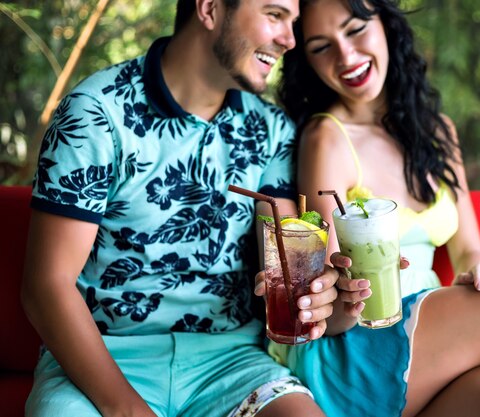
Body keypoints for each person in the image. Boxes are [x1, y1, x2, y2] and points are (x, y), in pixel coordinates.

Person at [267, 0, 480, 416]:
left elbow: (469, 250)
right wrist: (349, 286)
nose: (346, 55)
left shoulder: (438, 133)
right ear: (308, 63)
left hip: (429, 338)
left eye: (356, 29)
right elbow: (329, 289)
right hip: (358, 345)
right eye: (322, 46)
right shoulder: (327, 136)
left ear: (386, 25)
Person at [20, 1, 340, 416]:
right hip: (103, 357)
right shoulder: (96, 112)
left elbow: (283, 258)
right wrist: (127, 409)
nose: (289, 40)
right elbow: (46, 285)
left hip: (231, 363)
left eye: (292, 22)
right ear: (209, 9)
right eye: (274, 15)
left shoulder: (273, 130)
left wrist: (323, 294)